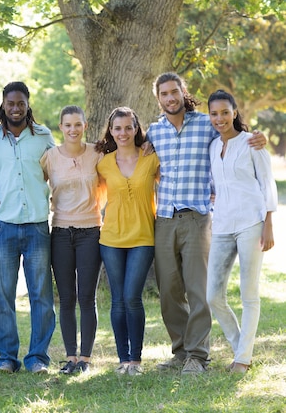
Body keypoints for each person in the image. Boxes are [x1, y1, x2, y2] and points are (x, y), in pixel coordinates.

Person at [148, 72, 266, 374]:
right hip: (163, 218)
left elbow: (233, 136)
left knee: (198, 289)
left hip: (198, 218)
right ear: (158, 98)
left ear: (182, 92)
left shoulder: (205, 124)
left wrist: (258, 136)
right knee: (169, 291)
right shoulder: (153, 132)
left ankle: (198, 356)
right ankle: (180, 352)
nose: (170, 98)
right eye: (164, 94)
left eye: (175, 91)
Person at [205, 90, 277, 374]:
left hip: (251, 223)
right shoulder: (213, 147)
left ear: (234, 112)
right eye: (214, 113)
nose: (220, 118)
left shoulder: (252, 142)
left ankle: (243, 359)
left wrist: (268, 222)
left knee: (249, 293)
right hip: (222, 225)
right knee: (213, 295)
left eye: (225, 112)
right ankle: (239, 346)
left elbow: (267, 183)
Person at [0, 81, 56, 374]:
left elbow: (59, 168)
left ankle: (38, 357)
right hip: (4, 226)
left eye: (20, 103)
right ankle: (6, 357)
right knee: (4, 293)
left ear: (28, 103)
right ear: (3, 105)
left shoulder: (43, 137)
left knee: (40, 294)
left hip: (37, 226)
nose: (15, 109)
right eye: (10, 104)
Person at [39, 106, 103, 375]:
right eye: (68, 125)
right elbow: (30, 185)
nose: (73, 130)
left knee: (87, 297)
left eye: (78, 124)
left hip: (91, 231)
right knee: (66, 298)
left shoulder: (98, 153)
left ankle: (85, 359)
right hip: (61, 233)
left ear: (85, 126)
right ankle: (70, 357)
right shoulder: (50, 158)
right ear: (61, 127)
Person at [97, 107, 160, 376]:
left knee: (132, 297)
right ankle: (123, 359)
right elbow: (91, 194)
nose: (123, 133)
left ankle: (136, 360)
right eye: (118, 128)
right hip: (110, 238)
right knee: (117, 300)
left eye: (128, 128)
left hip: (143, 237)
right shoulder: (103, 163)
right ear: (111, 131)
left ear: (136, 129)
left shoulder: (152, 159)